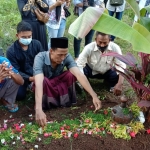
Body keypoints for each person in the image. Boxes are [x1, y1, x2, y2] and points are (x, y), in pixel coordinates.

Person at [33, 37, 101, 126]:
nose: (62, 58)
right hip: (46, 84)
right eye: (60, 55)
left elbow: (79, 75)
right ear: (51, 51)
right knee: (43, 81)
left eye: (65, 54)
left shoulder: (66, 57)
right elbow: (38, 82)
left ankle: (64, 100)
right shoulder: (40, 57)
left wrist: (93, 95)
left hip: (57, 82)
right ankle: (45, 104)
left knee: (70, 74)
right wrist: (38, 109)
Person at [6, 21, 44, 100]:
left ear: (32, 34)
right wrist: (30, 78)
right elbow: (15, 70)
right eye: (24, 37)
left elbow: (42, 61)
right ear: (17, 35)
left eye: (29, 36)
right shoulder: (11, 51)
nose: (27, 39)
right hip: (22, 78)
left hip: (37, 73)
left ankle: (33, 86)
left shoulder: (37, 44)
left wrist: (38, 74)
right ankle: (28, 86)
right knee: (20, 95)